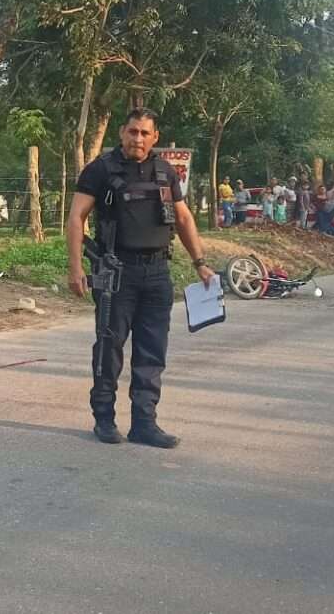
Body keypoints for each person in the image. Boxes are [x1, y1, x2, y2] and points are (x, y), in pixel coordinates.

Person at [65, 108, 217, 449]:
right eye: (133, 131)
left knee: (152, 351)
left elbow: (183, 218)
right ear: (122, 132)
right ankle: (104, 418)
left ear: (155, 137)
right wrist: (76, 268)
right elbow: (77, 218)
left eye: (145, 133)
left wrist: (201, 263)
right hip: (115, 271)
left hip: (157, 272)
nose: (138, 138)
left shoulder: (165, 171)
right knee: (109, 347)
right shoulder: (100, 169)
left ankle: (144, 424)